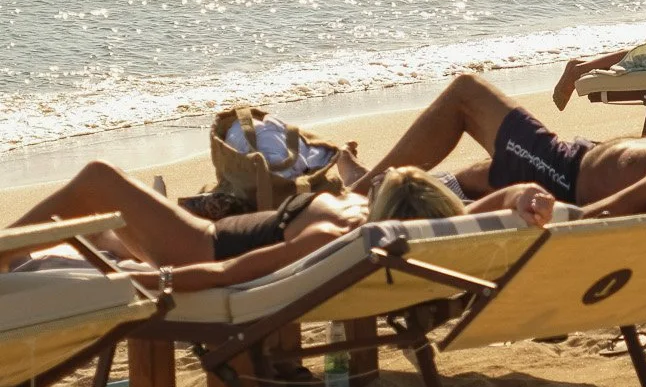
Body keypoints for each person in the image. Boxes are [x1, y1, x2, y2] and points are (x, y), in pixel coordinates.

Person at [8, 157, 556, 289]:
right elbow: (467, 216)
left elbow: (230, 274)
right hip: (200, 241)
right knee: (99, 227)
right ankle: (57, 252)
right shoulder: (398, 229)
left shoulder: (330, 237)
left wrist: (153, 283)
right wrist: (523, 196)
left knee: (96, 180)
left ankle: (4, 254)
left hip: (198, 249)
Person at [360, 71, 646, 213]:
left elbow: (594, 217)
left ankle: (366, 191)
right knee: (480, 174)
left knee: (466, 94)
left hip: (560, 178)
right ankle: (387, 191)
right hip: (571, 158)